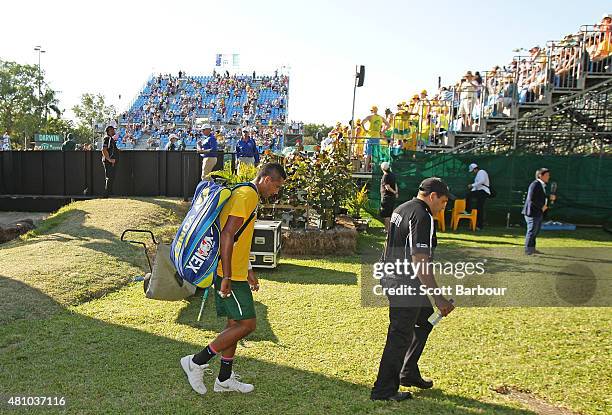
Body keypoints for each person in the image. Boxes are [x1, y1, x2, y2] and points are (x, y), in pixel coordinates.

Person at [181, 163, 287, 395]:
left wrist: (248, 268)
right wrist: (228, 275)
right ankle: (196, 361)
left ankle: (224, 379)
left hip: (235, 271)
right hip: (228, 273)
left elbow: (239, 236)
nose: (276, 192)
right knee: (247, 325)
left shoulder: (247, 194)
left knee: (234, 325)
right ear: (267, 179)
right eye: (277, 186)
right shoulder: (247, 195)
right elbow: (228, 234)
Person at [371, 177, 455, 402]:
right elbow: (420, 261)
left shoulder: (403, 207)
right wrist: (439, 298)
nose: (443, 207)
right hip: (403, 283)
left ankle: (408, 371)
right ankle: (384, 390)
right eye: (444, 202)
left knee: (424, 318)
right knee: (400, 334)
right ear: (432, 196)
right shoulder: (423, 216)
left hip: (392, 276)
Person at [522, 168, 554, 255]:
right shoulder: (535, 184)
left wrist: (549, 198)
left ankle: (532, 249)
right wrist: (542, 206)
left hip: (538, 212)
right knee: (532, 231)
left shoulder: (542, 185)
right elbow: (531, 198)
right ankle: (528, 250)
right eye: (547, 175)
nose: (548, 177)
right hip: (532, 212)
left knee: (535, 231)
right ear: (540, 175)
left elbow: (540, 197)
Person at [362, 106, 390, 172]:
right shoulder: (381, 117)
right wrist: (382, 131)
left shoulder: (370, 116)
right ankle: (375, 170)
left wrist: (365, 130)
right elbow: (388, 125)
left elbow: (362, 122)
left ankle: (365, 170)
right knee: (375, 154)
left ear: (372, 110)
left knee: (368, 154)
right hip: (377, 137)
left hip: (369, 136)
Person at [465, 163, 490, 230]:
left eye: (473, 171)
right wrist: (472, 188)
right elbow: (476, 186)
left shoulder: (482, 172)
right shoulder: (477, 175)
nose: (473, 172)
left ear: (475, 169)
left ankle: (468, 210)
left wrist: (472, 185)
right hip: (480, 191)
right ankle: (477, 225)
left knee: (480, 208)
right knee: (479, 208)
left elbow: (482, 181)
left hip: (483, 191)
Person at [379, 161, 398, 233]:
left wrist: (394, 192)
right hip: (392, 197)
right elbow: (395, 184)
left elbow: (387, 187)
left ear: (382, 169)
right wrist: (396, 192)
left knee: (386, 215)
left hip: (387, 197)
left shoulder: (385, 176)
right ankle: (390, 229)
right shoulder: (392, 174)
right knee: (390, 213)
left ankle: (387, 230)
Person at [101, 126, 119, 198]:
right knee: (109, 177)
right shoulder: (107, 138)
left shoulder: (111, 139)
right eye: (112, 129)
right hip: (109, 162)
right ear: (109, 131)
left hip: (111, 162)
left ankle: (110, 193)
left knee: (111, 177)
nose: (114, 130)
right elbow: (104, 150)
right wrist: (109, 159)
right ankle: (106, 194)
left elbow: (112, 149)